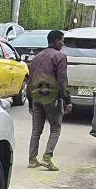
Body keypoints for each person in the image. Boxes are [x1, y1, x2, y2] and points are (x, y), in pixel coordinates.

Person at [25, 30, 72, 171]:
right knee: (55, 128)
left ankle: (32, 160)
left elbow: (30, 80)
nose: (63, 44)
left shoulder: (37, 57)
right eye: (62, 41)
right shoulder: (60, 57)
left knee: (36, 130)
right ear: (56, 41)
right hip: (52, 98)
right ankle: (47, 158)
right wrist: (67, 100)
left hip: (36, 97)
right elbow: (62, 80)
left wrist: (29, 100)